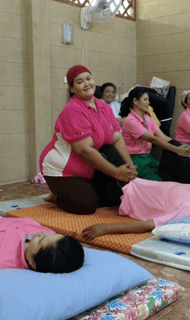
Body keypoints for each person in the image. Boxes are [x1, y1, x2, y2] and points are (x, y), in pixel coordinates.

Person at [40, 65, 137, 214]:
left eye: (88, 79)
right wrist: (116, 172)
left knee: (115, 197)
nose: (86, 84)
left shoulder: (103, 107)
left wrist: (129, 167)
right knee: (87, 205)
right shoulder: (72, 110)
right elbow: (84, 150)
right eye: (79, 82)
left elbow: (117, 139)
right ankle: (58, 195)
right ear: (72, 89)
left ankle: (81, 189)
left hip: (88, 168)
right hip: (61, 169)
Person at [82, 178, 190, 240]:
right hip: (135, 181)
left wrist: (106, 228)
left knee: (105, 150)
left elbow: (150, 225)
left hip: (125, 192)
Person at [119, 87, 190, 181]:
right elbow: (153, 139)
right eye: (145, 99)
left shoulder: (148, 118)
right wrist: (176, 149)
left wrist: (179, 146)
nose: (148, 103)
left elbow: (162, 136)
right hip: (135, 160)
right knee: (159, 182)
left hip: (148, 157)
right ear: (135, 101)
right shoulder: (130, 120)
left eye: (148, 99)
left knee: (170, 174)